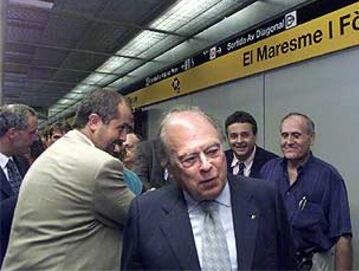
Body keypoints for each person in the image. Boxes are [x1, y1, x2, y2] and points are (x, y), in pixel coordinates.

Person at [121, 106, 296, 270]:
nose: (206, 165)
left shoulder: (265, 197)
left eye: (213, 151)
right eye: (189, 159)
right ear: (169, 167)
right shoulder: (145, 214)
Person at [2, 89, 135, 270]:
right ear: (94, 122)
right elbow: (138, 217)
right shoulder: (98, 164)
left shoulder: (62, 150)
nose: (123, 137)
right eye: (121, 127)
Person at [260, 112, 353, 271]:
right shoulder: (267, 171)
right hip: (272, 261)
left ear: (311, 138)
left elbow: (343, 237)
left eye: (296, 135)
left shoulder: (329, 178)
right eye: (284, 135)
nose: (289, 142)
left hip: (311, 264)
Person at [0, 104, 38, 266]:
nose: (36, 138)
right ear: (13, 133)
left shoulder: (21, 162)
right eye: (32, 133)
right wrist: (27, 194)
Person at [225, 111, 277, 178]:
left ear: (255, 136)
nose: (239, 141)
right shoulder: (220, 161)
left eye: (244, 135)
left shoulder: (272, 164)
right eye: (234, 136)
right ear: (227, 138)